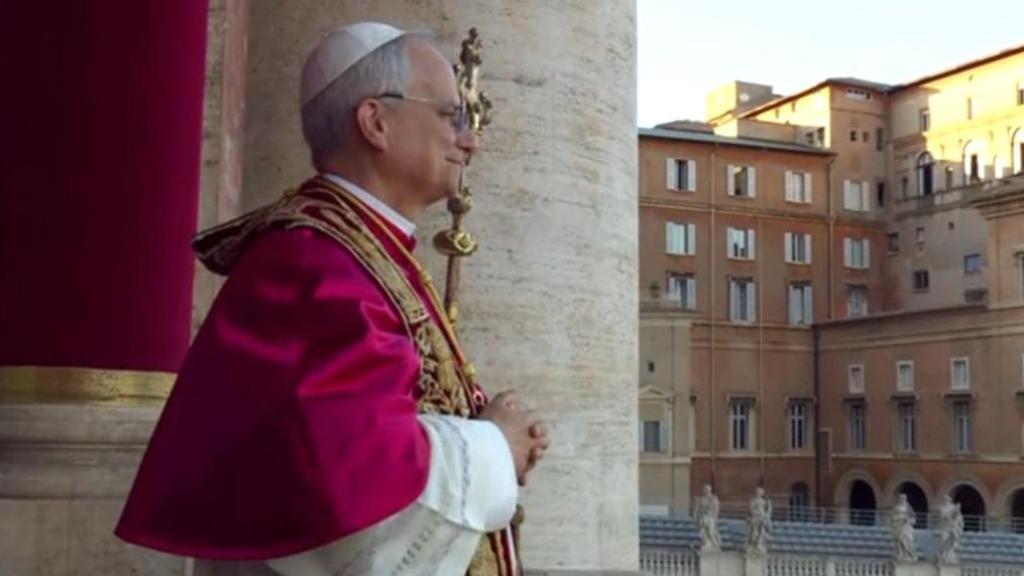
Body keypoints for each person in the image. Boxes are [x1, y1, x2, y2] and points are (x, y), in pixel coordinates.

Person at [115, 21, 549, 576]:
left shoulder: (361, 246)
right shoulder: (315, 263)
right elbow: (347, 484)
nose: (471, 140)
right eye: (451, 116)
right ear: (376, 122)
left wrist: (492, 431)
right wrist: (493, 449)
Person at [745, 487, 772, 555]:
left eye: (761, 492)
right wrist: (758, 513)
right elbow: (751, 510)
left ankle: (759, 543)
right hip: (755, 518)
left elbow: (767, 511)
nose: (759, 493)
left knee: (763, 528)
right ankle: (755, 543)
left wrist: (766, 513)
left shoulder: (764, 501)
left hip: (762, 518)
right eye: (758, 492)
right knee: (755, 531)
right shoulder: (753, 501)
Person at [891, 494, 917, 563]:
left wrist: (908, 520)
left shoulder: (908, 507)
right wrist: (899, 518)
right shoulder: (896, 507)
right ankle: (901, 555)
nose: (902, 499)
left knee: (907, 541)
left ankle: (910, 555)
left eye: (904, 498)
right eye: (901, 498)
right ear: (899, 499)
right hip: (898, 526)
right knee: (899, 540)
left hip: (906, 527)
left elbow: (913, 518)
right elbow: (892, 517)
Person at [694, 484, 721, 552]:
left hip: (711, 518)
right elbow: (696, 510)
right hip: (703, 518)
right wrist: (697, 517)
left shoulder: (714, 498)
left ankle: (714, 544)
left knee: (711, 531)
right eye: (705, 489)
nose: (706, 491)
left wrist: (714, 517)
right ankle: (705, 543)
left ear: (710, 490)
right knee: (704, 532)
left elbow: (716, 509)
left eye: (707, 489)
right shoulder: (701, 499)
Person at [938, 495, 964, 565]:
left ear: (950, 500)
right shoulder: (942, 508)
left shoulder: (953, 507)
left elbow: (958, 517)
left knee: (951, 542)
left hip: (952, 527)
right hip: (945, 528)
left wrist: (957, 510)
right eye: (945, 499)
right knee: (944, 542)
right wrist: (955, 510)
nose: (946, 500)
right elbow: (944, 516)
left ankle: (949, 557)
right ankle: (944, 557)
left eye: (947, 499)